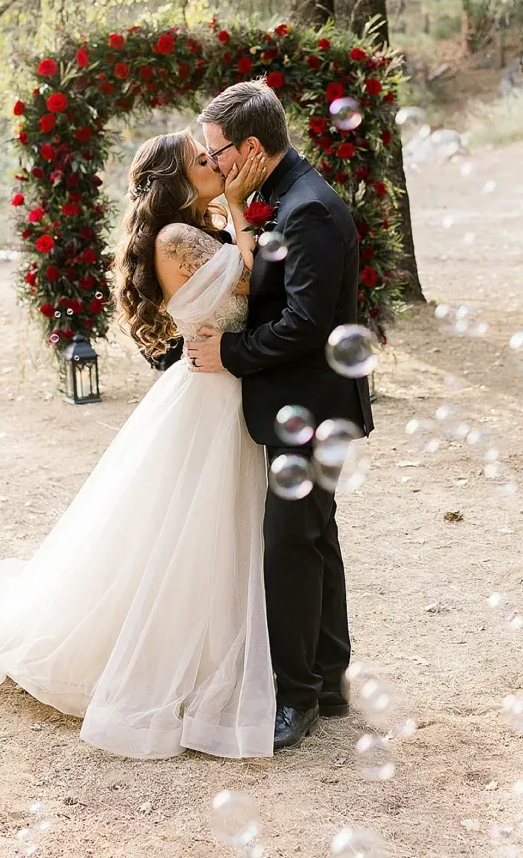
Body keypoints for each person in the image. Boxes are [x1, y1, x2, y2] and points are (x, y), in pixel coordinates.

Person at [0, 130, 277, 760]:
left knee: (206, 532)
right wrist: (246, 202)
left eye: (213, 155)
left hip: (221, 388)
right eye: (202, 160)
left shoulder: (202, 228)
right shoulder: (176, 239)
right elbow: (252, 284)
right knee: (188, 534)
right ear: (175, 179)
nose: (216, 164)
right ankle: (174, 661)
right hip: (209, 400)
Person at [187, 80, 374, 751]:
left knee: (291, 546)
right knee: (312, 536)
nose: (212, 162)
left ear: (253, 146)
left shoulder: (309, 211)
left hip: (315, 404)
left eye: (217, 151)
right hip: (302, 403)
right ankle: (327, 680)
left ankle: (297, 696)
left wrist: (229, 351)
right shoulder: (279, 199)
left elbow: (304, 322)